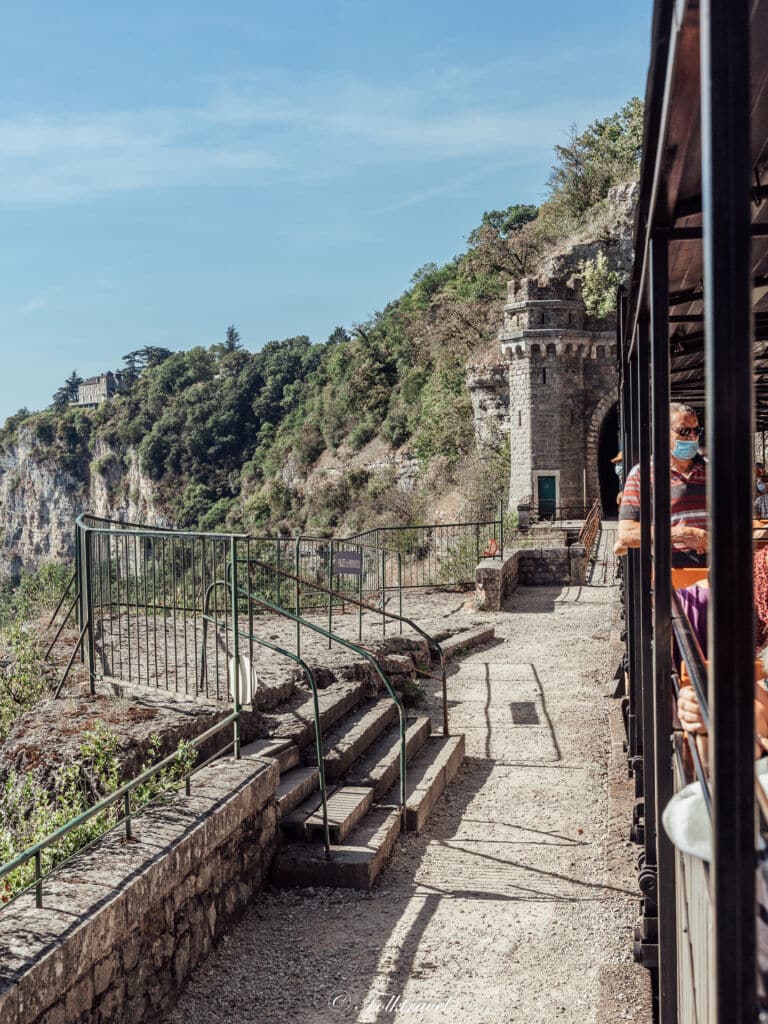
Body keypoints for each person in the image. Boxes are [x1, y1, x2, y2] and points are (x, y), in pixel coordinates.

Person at [617, 402, 708, 567]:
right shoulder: (642, 475)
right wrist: (680, 534)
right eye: (684, 431)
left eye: (697, 430)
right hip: (672, 578)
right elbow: (627, 533)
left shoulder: (713, 472)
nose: (692, 437)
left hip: (717, 576)